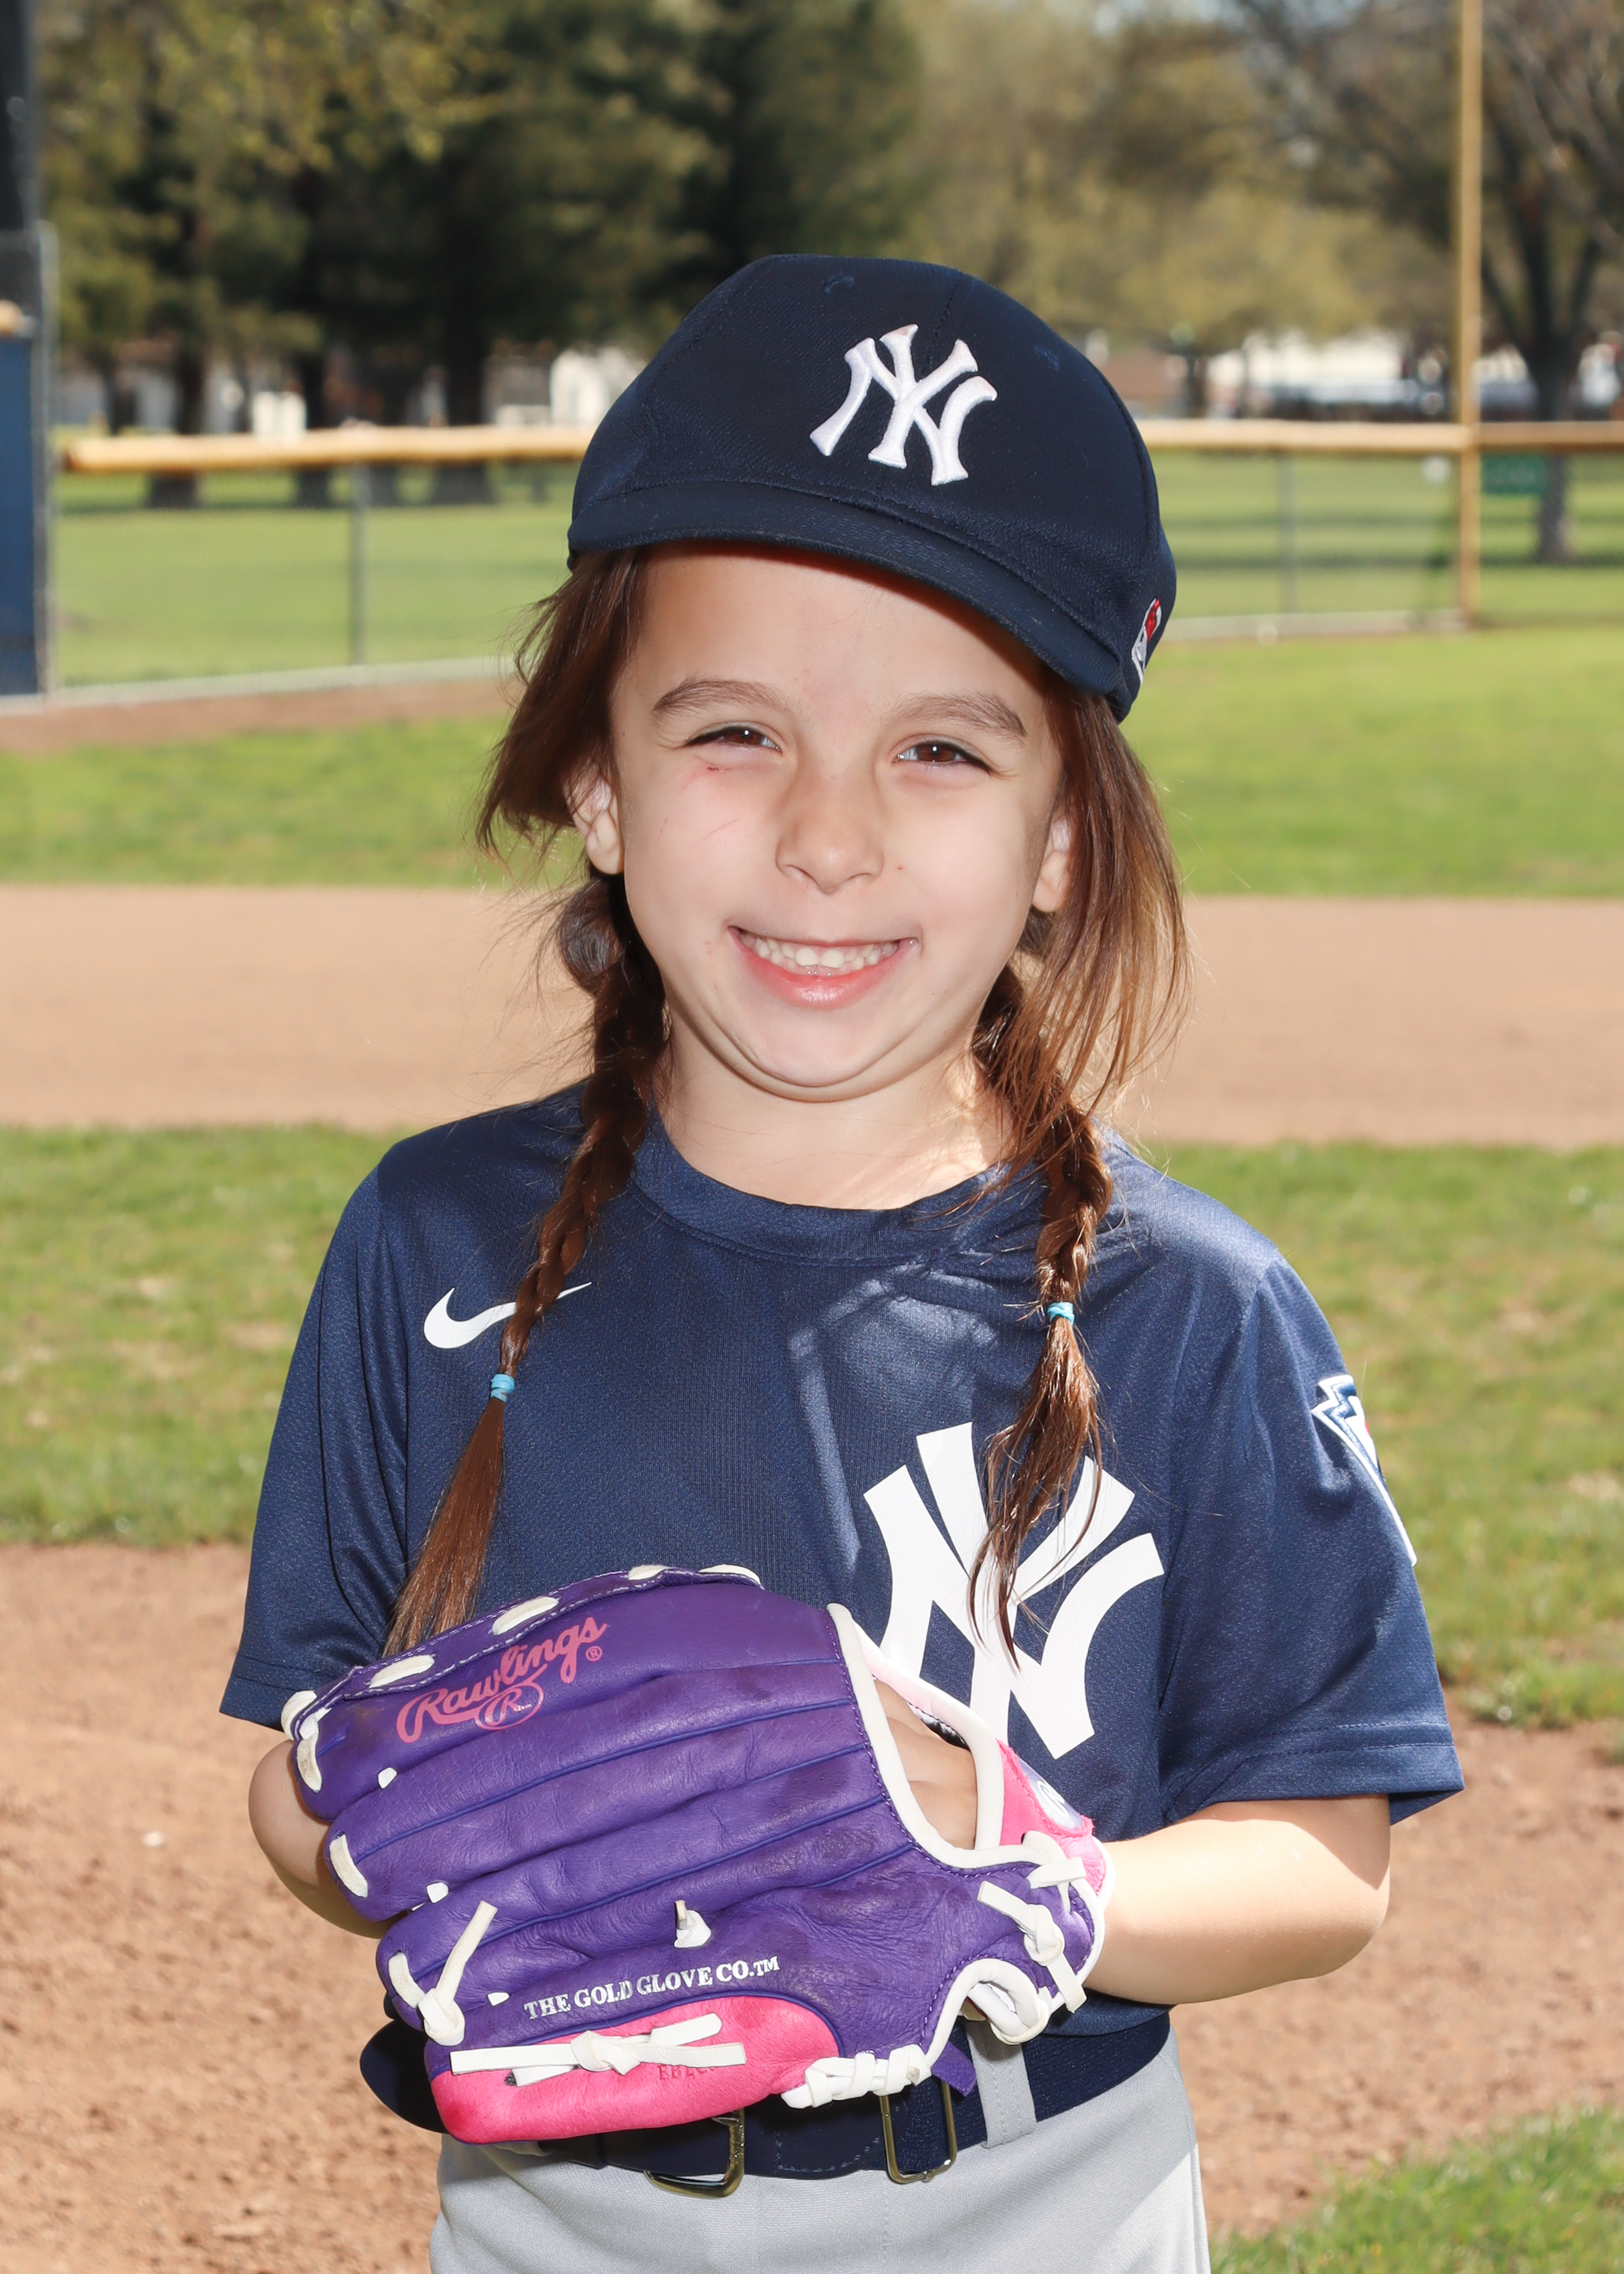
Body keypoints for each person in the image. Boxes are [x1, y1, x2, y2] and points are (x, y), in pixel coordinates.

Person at [230, 257, 1462, 2274]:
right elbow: (301, 1779)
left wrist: (1019, 1872)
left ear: (1061, 836)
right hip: (560, 2219)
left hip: (1043, 2202)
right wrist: (399, 1808)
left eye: (941, 750)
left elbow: (1325, 1858)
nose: (827, 836)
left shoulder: (1186, 1304)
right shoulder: (435, 1243)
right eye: (734, 730)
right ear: (597, 782)